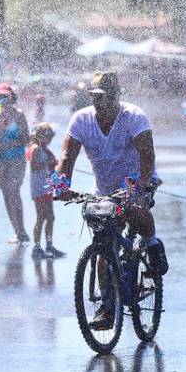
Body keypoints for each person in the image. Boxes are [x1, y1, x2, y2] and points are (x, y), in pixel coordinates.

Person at [56, 71, 168, 331]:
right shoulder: (81, 120)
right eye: (95, 97)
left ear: (117, 96)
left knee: (133, 210)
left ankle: (152, 244)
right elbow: (66, 157)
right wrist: (62, 186)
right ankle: (107, 307)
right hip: (104, 189)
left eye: (105, 97)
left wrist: (139, 186)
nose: (100, 103)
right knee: (104, 245)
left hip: (136, 181)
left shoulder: (133, 117)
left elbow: (147, 156)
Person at [0, 84, 30, 245]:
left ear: (11, 98)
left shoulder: (18, 115)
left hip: (16, 159)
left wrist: (10, 143)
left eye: (5, 97)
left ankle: (22, 229)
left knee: (13, 191)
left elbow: (26, 138)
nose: (2, 100)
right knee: (6, 194)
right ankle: (17, 231)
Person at [27, 122, 63, 260]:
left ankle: (49, 244)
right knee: (41, 217)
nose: (49, 140)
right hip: (39, 187)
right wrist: (50, 163)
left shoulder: (44, 148)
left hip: (46, 187)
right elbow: (34, 166)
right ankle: (36, 246)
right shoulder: (35, 149)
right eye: (48, 137)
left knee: (50, 217)